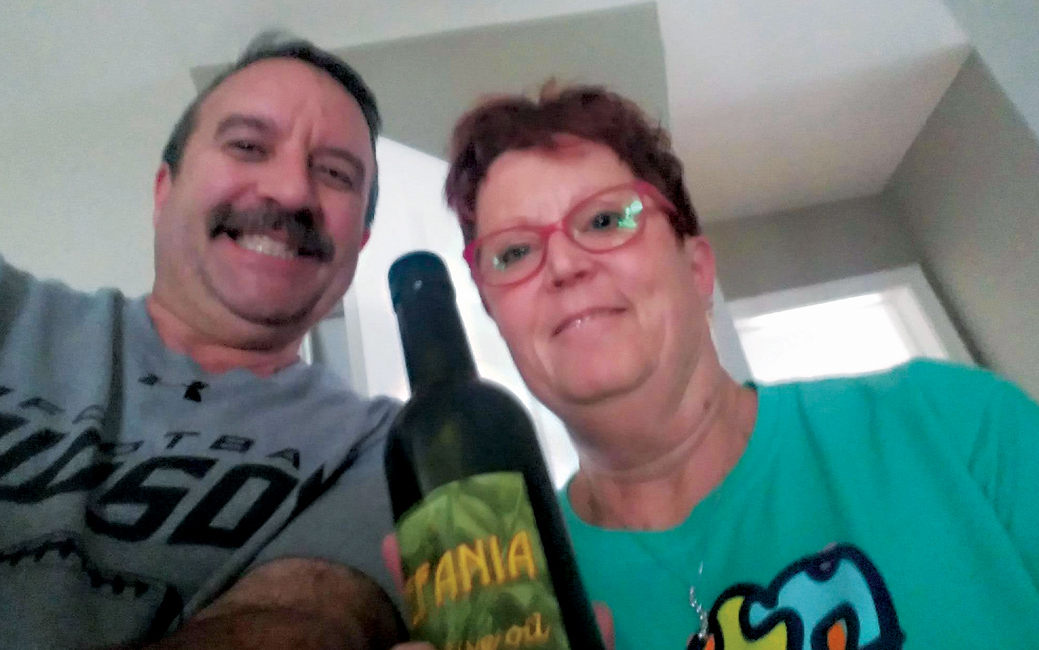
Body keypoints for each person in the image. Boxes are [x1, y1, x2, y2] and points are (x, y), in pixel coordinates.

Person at [438, 84, 1039, 650]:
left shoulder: (952, 421)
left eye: (604, 220)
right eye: (513, 252)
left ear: (697, 268)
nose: (564, 265)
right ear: (499, 320)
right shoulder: (511, 606)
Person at [0, 33, 406, 649]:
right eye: (248, 146)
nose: (292, 192)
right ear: (164, 190)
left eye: (334, 173)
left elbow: (309, 623)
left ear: (361, 243)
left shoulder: (386, 447)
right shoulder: (13, 314)